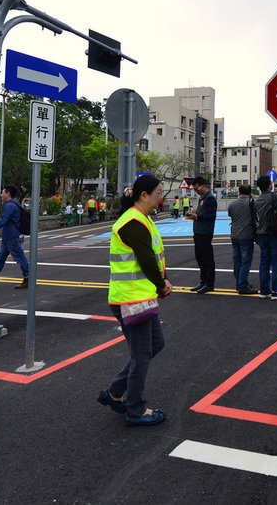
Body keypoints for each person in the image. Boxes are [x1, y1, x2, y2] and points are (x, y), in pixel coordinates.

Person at [98, 174, 171, 426]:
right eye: (159, 192)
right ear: (143, 195)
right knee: (141, 354)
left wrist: (162, 281)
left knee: (154, 345)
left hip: (141, 296)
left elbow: (154, 255)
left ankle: (115, 392)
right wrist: (161, 284)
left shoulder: (144, 219)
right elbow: (145, 259)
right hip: (130, 298)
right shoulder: (132, 222)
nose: (161, 197)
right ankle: (136, 409)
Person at [0, 186, 29, 291]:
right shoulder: (15, 204)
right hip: (9, 236)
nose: (1, 195)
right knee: (0, 259)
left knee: (20, 258)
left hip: (11, 237)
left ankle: (28, 278)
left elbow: (2, 221)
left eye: (2, 192)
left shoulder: (10, 206)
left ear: (8, 193)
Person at [254, 175, 277, 300]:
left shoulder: (257, 200)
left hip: (261, 235)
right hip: (274, 233)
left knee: (264, 263)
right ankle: (276, 291)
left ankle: (264, 290)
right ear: (270, 185)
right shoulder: (274, 197)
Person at [185, 176, 217, 294]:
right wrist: (195, 213)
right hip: (198, 231)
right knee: (200, 258)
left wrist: (197, 216)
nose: (196, 191)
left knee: (207, 258)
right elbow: (203, 213)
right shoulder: (202, 198)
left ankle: (209, 283)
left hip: (205, 232)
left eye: (196, 189)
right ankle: (203, 281)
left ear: (203, 186)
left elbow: (211, 216)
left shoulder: (210, 198)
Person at [228, 184, 258, 294]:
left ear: (239, 192)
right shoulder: (252, 203)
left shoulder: (232, 204)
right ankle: (243, 285)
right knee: (246, 261)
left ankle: (239, 282)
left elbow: (231, 215)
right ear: (250, 193)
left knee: (237, 261)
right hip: (246, 235)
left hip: (235, 235)